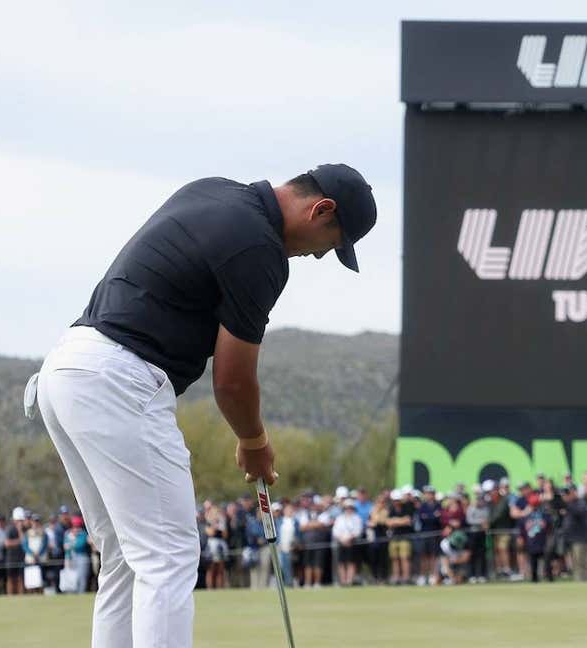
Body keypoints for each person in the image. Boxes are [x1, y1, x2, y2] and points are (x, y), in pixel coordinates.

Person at [29, 166, 376, 647]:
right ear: (321, 209)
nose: (318, 254)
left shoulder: (210, 190)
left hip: (65, 369)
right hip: (121, 379)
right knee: (167, 557)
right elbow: (232, 381)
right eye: (329, 242)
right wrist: (254, 440)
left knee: (127, 560)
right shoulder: (262, 251)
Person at [560, 487, 587, 581]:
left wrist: (567, 506)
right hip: (571, 538)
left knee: (582, 561)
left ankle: (585, 580)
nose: (565, 497)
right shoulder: (568, 505)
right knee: (575, 562)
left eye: (567, 494)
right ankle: (578, 580)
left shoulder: (580, 503)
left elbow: (579, 512)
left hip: (582, 538)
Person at [519, 494, 551, 583]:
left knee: (546, 561)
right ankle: (534, 578)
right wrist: (522, 538)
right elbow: (522, 528)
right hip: (531, 541)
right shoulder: (526, 515)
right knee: (534, 561)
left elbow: (549, 525)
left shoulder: (544, 514)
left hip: (542, 540)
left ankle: (549, 577)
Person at [332, 500, 363, 586]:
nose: (348, 509)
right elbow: (335, 531)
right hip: (341, 542)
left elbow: (358, 531)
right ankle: (343, 581)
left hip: (352, 543)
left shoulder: (356, 518)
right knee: (341, 562)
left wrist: (350, 538)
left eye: (350, 508)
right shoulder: (339, 518)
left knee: (351, 562)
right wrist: (341, 539)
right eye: (347, 508)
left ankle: (349, 581)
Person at [62, 516, 90, 594]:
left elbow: (80, 544)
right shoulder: (67, 534)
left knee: (81, 577)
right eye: (73, 526)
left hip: (82, 557)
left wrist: (70, 545)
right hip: (70, 558)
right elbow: (65, 546)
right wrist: (67, 559)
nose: (75, 528)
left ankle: (81, 593)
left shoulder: (83, 534)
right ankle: (71, 594)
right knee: (71, 578)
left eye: (77, 526)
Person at [22, 515, 49, 594]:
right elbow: (25, 546)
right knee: (31, 581)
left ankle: (41, 594)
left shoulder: (43, 533)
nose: (35, 523)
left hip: (41, 559)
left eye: (37, 521)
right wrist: (32, 554)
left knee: (41, 580)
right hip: (30, 560)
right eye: (34, 521)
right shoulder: (27, 533)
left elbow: (44, 545)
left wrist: (38, 554)